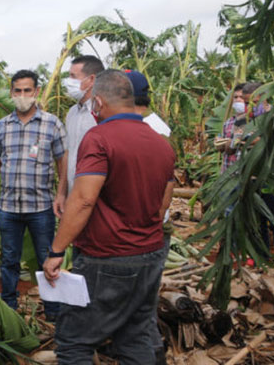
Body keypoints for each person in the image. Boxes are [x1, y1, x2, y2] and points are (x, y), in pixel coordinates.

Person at [43, 70, 176, 364]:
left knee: (74, 341)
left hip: (107, 258)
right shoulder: (162, 144)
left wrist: (56, 250)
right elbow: (162, 206)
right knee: (135, 337)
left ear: (99, 102)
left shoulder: (100, 138)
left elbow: (83, 199)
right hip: (150, 256)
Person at [0, 69, 67, 320]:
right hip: (9, 207)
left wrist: (61, 194)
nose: (22, 95)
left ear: (36, 92)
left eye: (27, 90)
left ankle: (54, 312)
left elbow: (62, 160)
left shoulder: (51, 123)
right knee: (9, 260)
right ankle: (9, 309)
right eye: (18, 91)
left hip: (41, 207)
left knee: (46, 259)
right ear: (11, 93)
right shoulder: (2, 126)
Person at [125, 69, 172, 365]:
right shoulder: (156, 126)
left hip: (142, 229)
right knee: (140, 300)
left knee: (140, 302)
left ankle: (152, 353)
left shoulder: (150, 130)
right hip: (151, 226)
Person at [215, 82, 274, 260]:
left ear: (264, 97)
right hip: (251, 178)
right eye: (248, 102)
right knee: (259, 222)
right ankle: (262, 257)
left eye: (254, 101)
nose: (250, 106)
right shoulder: (242, 119)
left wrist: (251, 140)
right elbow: (234, 144)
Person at [63, 55, 105, 197]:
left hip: (96, 196)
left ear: (91, 80)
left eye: (73, 77)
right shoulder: (72, 113)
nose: (69, 82)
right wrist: (62, 194)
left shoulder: (102, 113)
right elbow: (68, 153)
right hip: (73, 194)